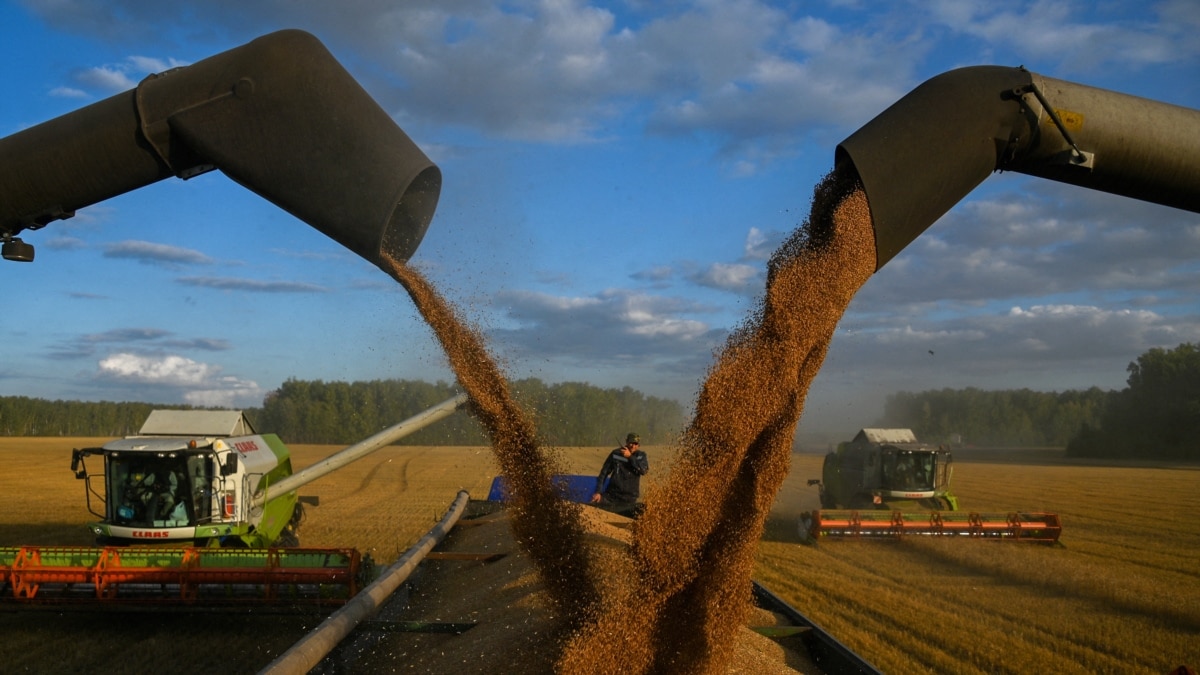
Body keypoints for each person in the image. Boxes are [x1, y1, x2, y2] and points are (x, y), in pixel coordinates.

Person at [590, 432, 649, 518]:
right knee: (592, 507)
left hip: (629, 499)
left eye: (636, 444)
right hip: (611, 496)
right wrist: (598, 492)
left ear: (639, 445)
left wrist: (630, 457)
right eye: (631, 443)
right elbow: (603, 473)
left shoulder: (641, 456)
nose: (633, 446)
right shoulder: (616, 454)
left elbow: (643, 470)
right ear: (626, 442)